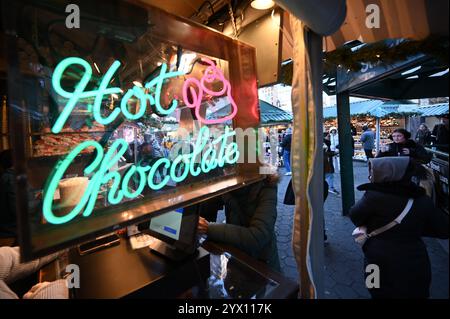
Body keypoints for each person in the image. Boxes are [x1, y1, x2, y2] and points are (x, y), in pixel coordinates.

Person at [349, 157, 449, 299]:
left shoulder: (373, 196)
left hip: (376, 257)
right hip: (415, 260)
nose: (370, 175)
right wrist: (414, 227)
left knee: (375, 289)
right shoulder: (422, 199)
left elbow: (355, 215)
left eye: (374, 171)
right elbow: (443, 230)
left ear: (388, 173)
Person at [197, 173, 281, 272]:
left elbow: (257, 236)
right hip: (235, 255)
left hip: (262, 262)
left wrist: (208, 228)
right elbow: (208, 204)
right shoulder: (229, 181)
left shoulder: (267, 185)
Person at [0, 150, 17, 244]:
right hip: (11, 233)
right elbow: (18, 208)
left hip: (8, 231)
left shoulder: (6, 177)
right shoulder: (11, 179)